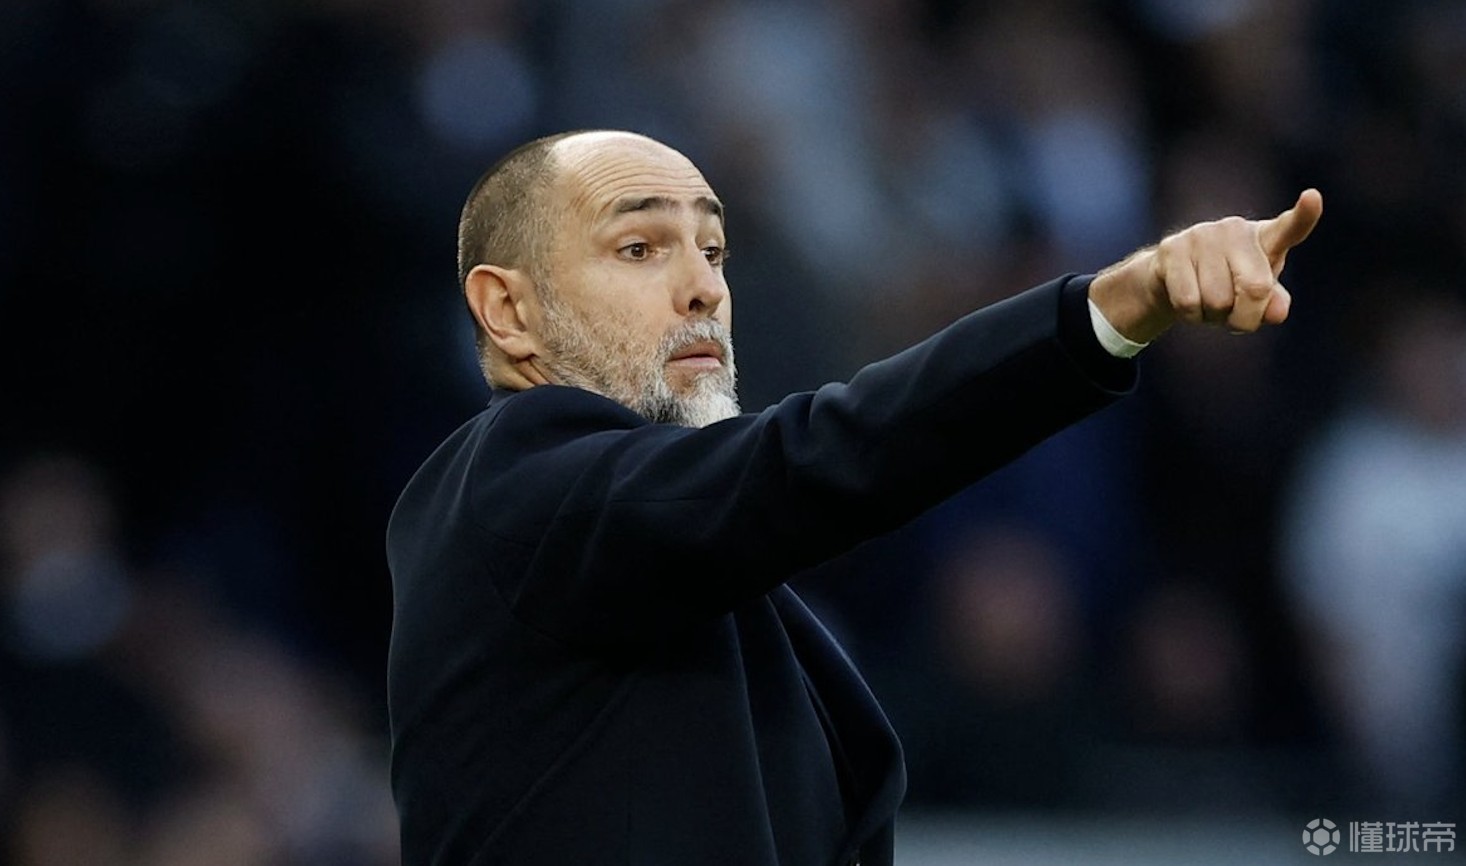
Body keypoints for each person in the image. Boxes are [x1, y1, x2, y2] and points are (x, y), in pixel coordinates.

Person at [384, 128, 1322, 865]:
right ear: (508, 310)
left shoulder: (690, 569)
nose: (704, 289)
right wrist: (1115, 308)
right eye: (639, 247)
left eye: (714, 250)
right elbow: (825, 454)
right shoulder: (508, 481)